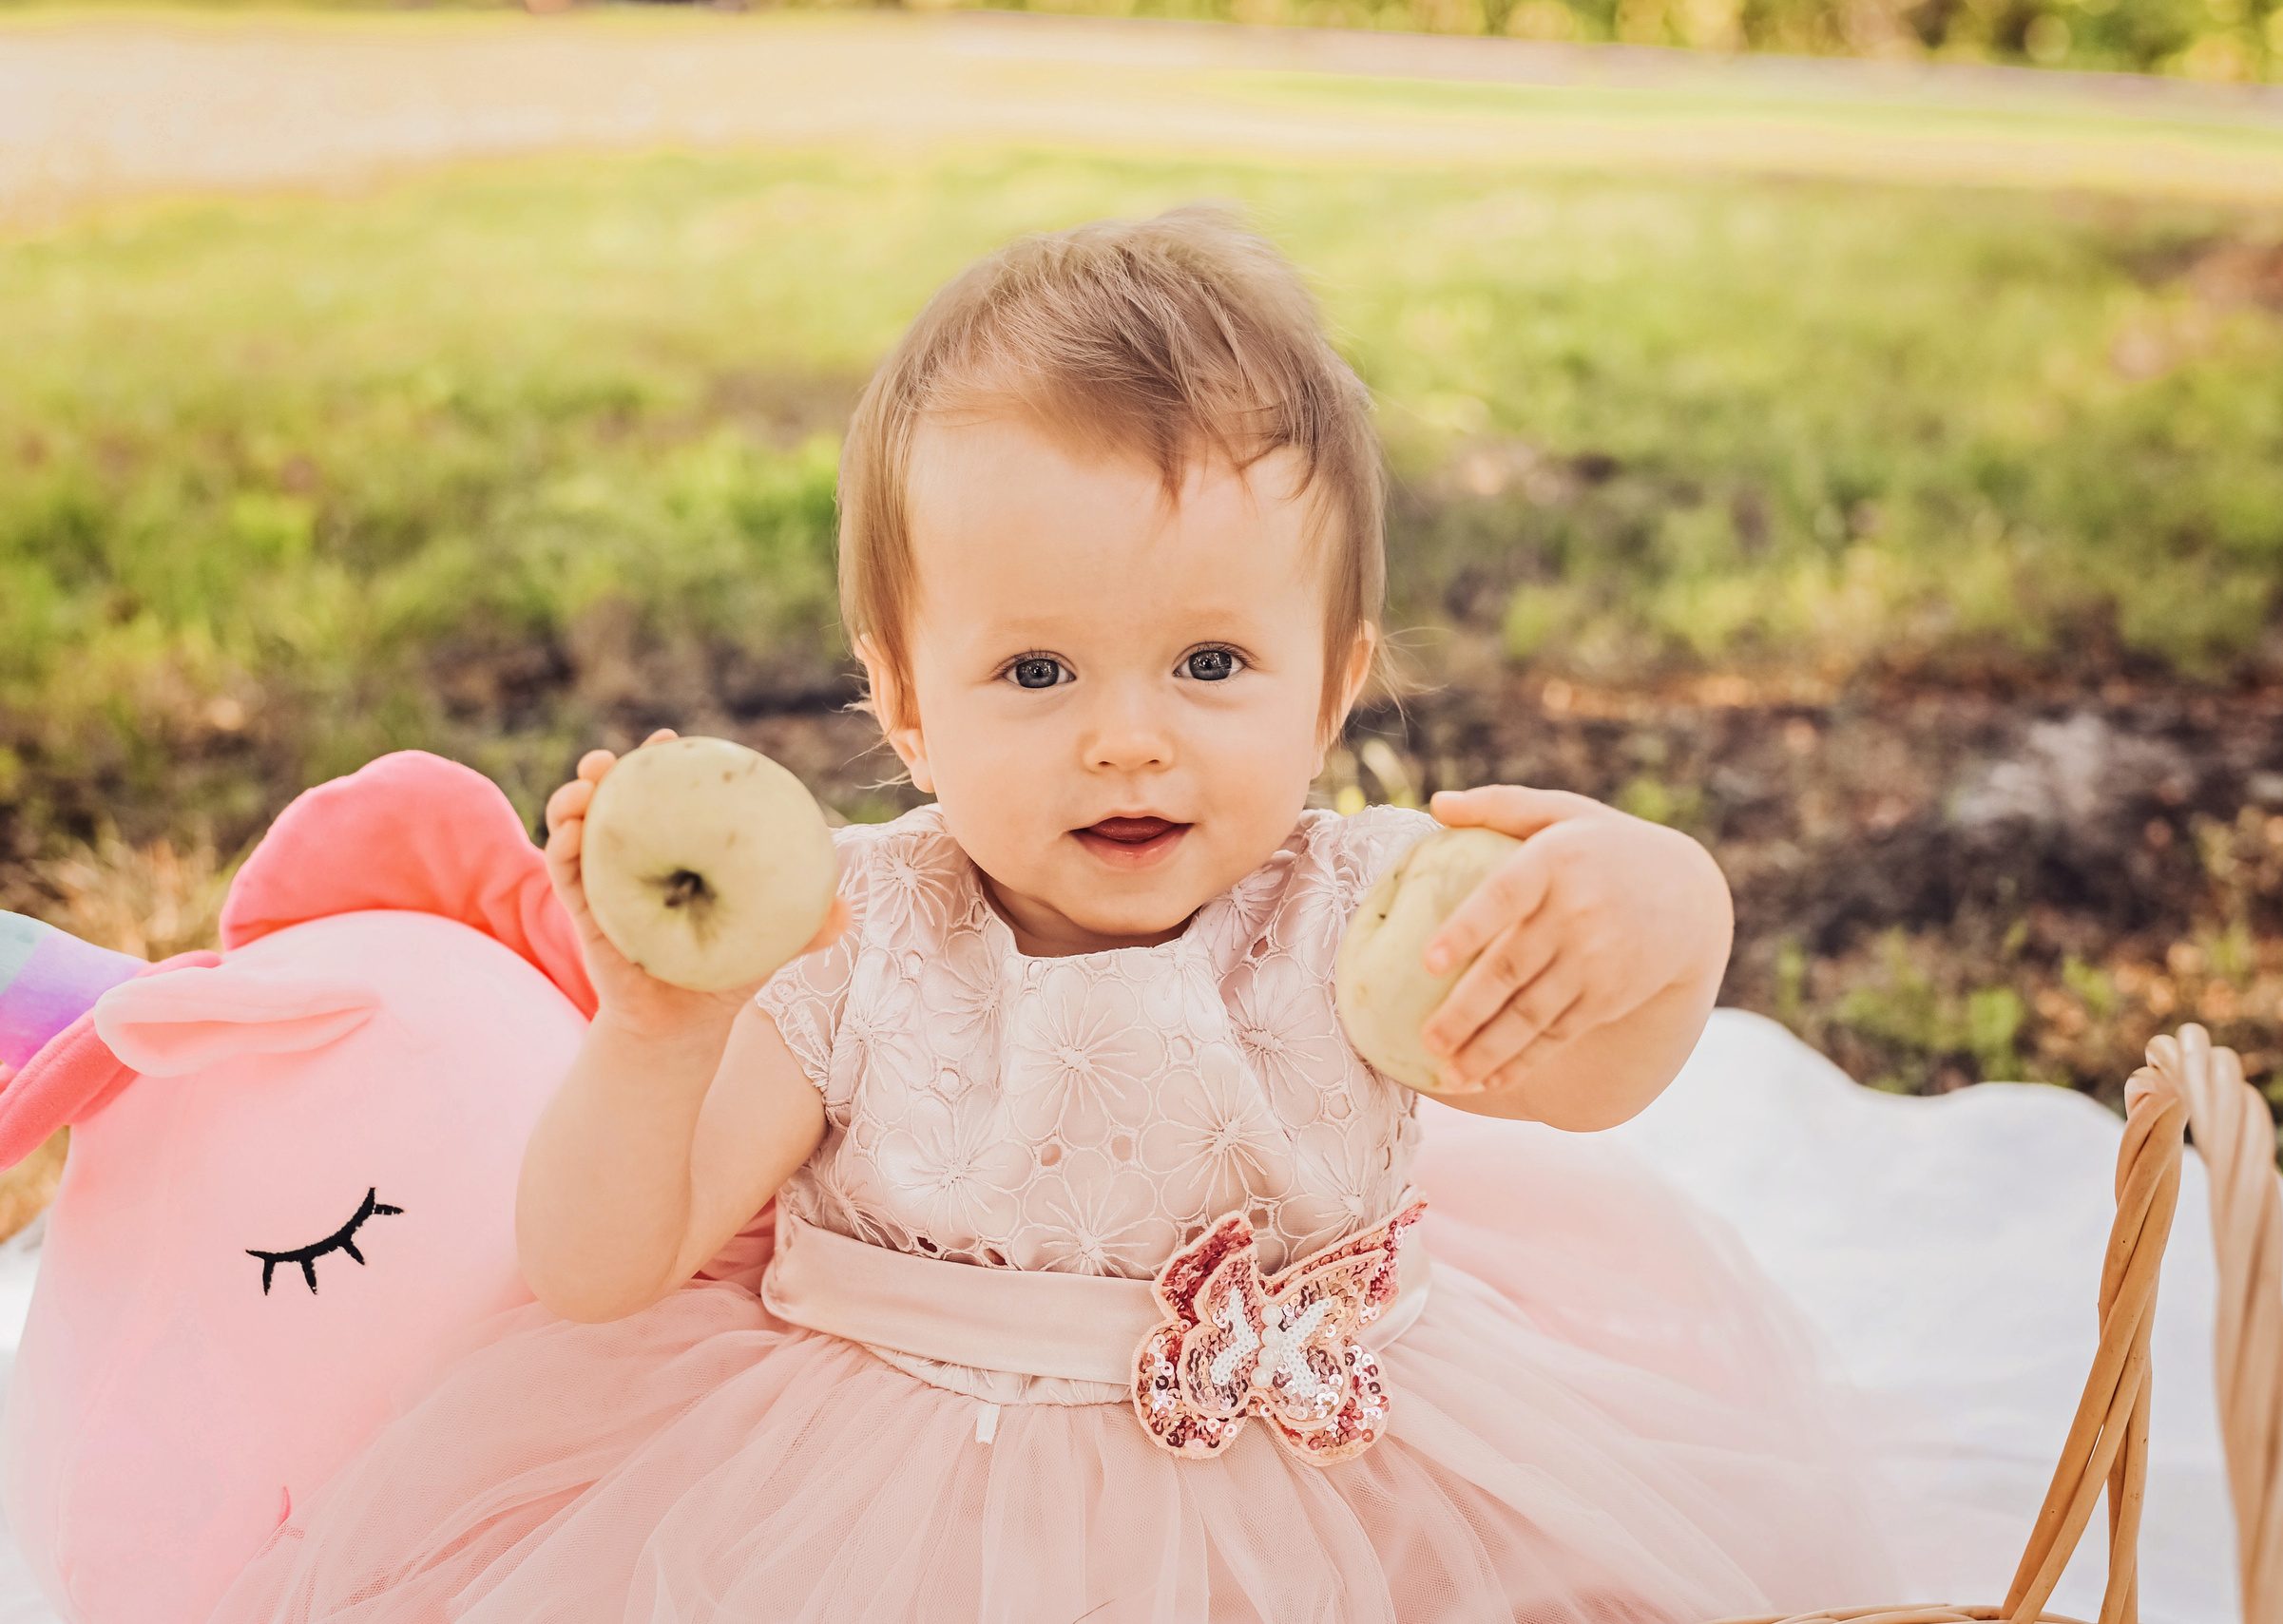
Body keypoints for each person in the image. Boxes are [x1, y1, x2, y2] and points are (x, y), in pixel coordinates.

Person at [208, 201, 1900, 1624]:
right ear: (905, 702)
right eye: (1036, 670)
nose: (1128, 736)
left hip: (1342, 1483)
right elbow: (598, 1270)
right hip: (902, 1508)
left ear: (1334, 685)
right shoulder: (849, 937)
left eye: (1212, 661)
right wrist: (659, 1031)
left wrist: (1667, 909)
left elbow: (1596, 1077)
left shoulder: (1367, 912)